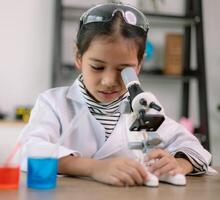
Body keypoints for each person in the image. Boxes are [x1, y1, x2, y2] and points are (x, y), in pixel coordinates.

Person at [19, 2, 211, 187]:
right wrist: (94, 168)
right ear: (78, 57)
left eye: (124, 69)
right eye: (97, 67)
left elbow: (194, 148)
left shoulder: (143, 109)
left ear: (139, 65)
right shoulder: (54, 104)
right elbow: (29, 150)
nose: (109, 80)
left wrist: (179, 164)